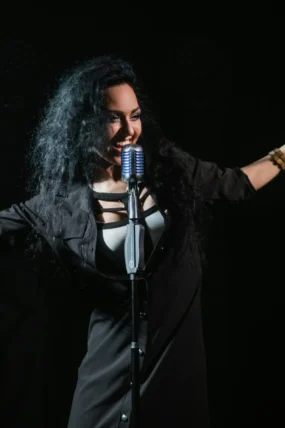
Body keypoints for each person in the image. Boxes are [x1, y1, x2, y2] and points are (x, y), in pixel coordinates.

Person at [0, 54, 284, 428]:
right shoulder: (58, 207)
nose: (129, 130)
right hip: (107, 377)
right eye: (112, 117)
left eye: (134, 116)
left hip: (174, 377)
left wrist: (282, 155)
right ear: (82, 124)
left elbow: (237, 184)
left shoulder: (169, 170)